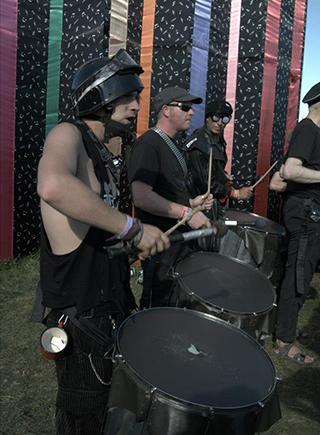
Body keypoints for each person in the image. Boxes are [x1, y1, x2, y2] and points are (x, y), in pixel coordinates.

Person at [37, 49, 169, 435]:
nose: (136, 106)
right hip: (82, 316)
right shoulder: (68, 134)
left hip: (110, 301)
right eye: (128, 97)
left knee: (114, 409)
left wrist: (129, 245)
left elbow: (93, 229)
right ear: (101, 98)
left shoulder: (104, 152)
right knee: (84, 418)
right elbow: (52, 185)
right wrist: (133, 228)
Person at [128, 86, 214, 308]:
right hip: (161, 246)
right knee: (156, 310)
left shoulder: (171, 144)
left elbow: (167, 192)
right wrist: (186, 213)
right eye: (185, 107)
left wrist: (193, 203)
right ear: (165, 110)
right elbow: (141, 196)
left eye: (192, 108)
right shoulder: (148, 144)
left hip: (176, 245)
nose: (192, 112)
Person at [273, 81, 320, 365]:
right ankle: (284, 342)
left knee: (301, 271)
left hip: (308, 211)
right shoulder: (308, 128)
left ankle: (283, 334)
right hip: (305, 212)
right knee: (298, 274)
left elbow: (281, 176)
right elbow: (290, 170)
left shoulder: (311, 131)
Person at [182, 101, 253, 251]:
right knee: (200, 251)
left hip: (212, 205)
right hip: (200, 205)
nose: (220, 123)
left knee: (212, 248)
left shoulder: (218, 140)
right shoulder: (200, 144)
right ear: (207, 117)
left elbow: (213, 171)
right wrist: (236, 193)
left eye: (225, 119)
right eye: (216, 117)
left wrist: (224, 176)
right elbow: (206, 184)